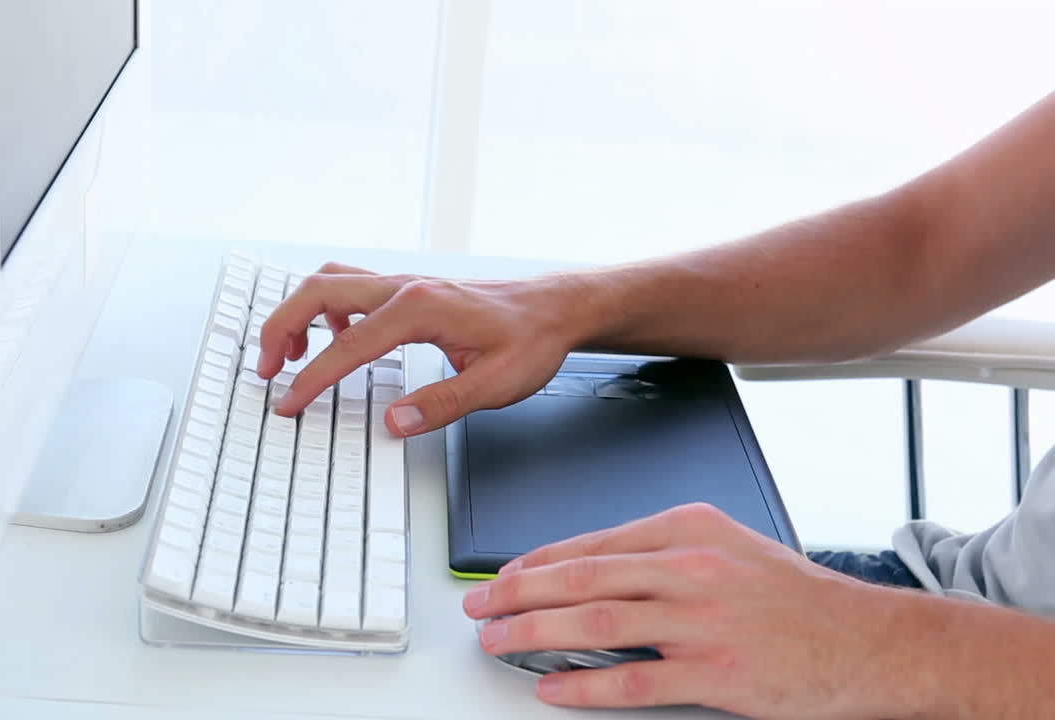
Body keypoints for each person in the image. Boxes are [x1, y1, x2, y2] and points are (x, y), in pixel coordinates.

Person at [257, 91, 1055, 718]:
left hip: (937, 656)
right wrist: (562, 307)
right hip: (954, 615)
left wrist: (880, 647)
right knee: (426, 648)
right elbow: (922, 248)